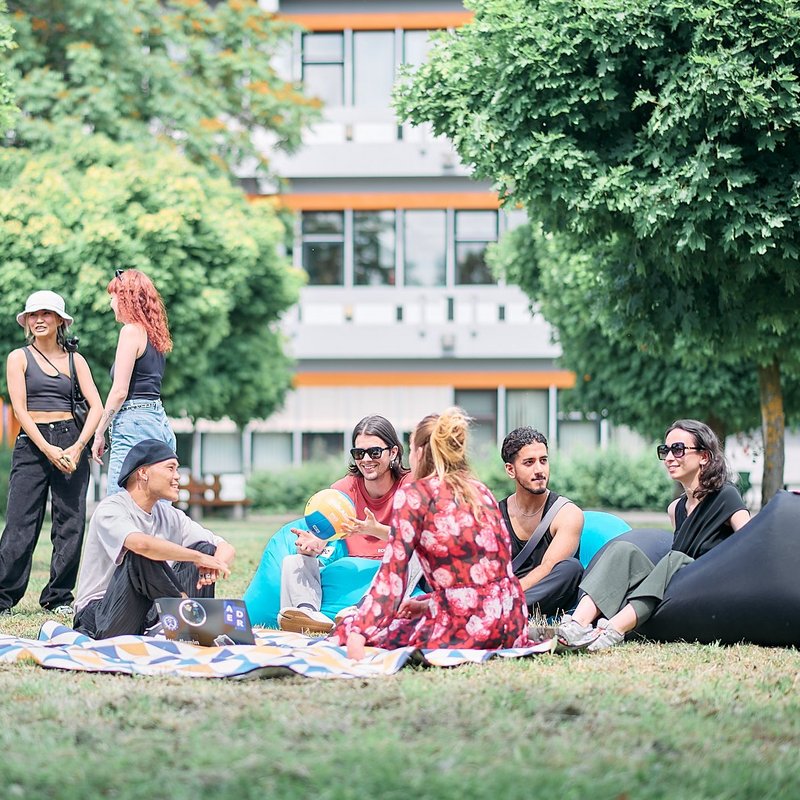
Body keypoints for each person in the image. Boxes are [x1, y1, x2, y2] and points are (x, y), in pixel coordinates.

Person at [332, 407, 530, 660]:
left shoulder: (415, 495)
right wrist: (429, 605)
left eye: (412, 448)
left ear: (421, 452)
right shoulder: (480, 490)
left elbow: (392, 578)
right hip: (511, 623)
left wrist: (359, 633)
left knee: (350, 623)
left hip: (469, 630)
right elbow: (489, 574)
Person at [556, 419, 750, 652]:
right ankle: (577, 624)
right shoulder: (675, 509)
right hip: (679, 587)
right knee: (624, 550)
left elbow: (749, 544)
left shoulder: (726, 496)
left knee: (676, 559)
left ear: (704, 456)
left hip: (712, 589)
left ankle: (612, 629)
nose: (669, 457)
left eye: (678, 449)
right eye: (665, 450)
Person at [0, 291, 103, 617]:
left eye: (46, 313)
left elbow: (97, 407)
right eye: (33, 315)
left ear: (60, 320)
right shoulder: (19, 357)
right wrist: (47, 449)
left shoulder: (76, 360)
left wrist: (76, 447)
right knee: (20, 522)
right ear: (27, 322)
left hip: (71, 440)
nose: (39, 319)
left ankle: (58, 597)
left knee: (70, 523)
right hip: (33, 444)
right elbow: (20, 409)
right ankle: (3, 598)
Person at [73, 439, 235, 639]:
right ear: (143, 472)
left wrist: (214, 562)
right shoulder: (111, 508)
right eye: (170, 468)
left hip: (145, 613)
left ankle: (194, 632)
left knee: (205, 549)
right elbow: (141, 545)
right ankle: (187, 614)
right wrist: (197, 559)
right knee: (141, 554)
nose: (177, 477)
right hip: (99, 616)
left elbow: (225, 546)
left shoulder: (169, 515)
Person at [278, 414, 412, 634]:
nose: (366, 459)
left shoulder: (409, 486)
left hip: (393, 570)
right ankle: (307, 613)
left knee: (409, 559)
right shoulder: (343, 490)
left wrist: (374, 530)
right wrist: (315, 542)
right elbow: (327, 537)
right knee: (294, 561)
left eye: (374, 452)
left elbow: (416, 539)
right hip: (349, 564)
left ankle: (360, 611)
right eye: (359, 453)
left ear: (394, 452)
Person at [91, 269, 175, 495]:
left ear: (126, 299)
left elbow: (119, 391)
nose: (111, 304)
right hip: (158, 421)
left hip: (134, 422)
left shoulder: (130, 332)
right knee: (156, 506)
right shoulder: (154, 336)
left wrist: (99, 432)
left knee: (119, 504)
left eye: (113, 297)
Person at [500, 427, 585, 618]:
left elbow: (548, 567)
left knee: (571, 568)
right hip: (504, 592)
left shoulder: (567, 513)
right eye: (529, 463)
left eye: (543, 461)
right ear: (510, 470)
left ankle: (505, 611)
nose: (539, 470)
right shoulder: (494, 515)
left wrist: (505, 597)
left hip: (547, 595)